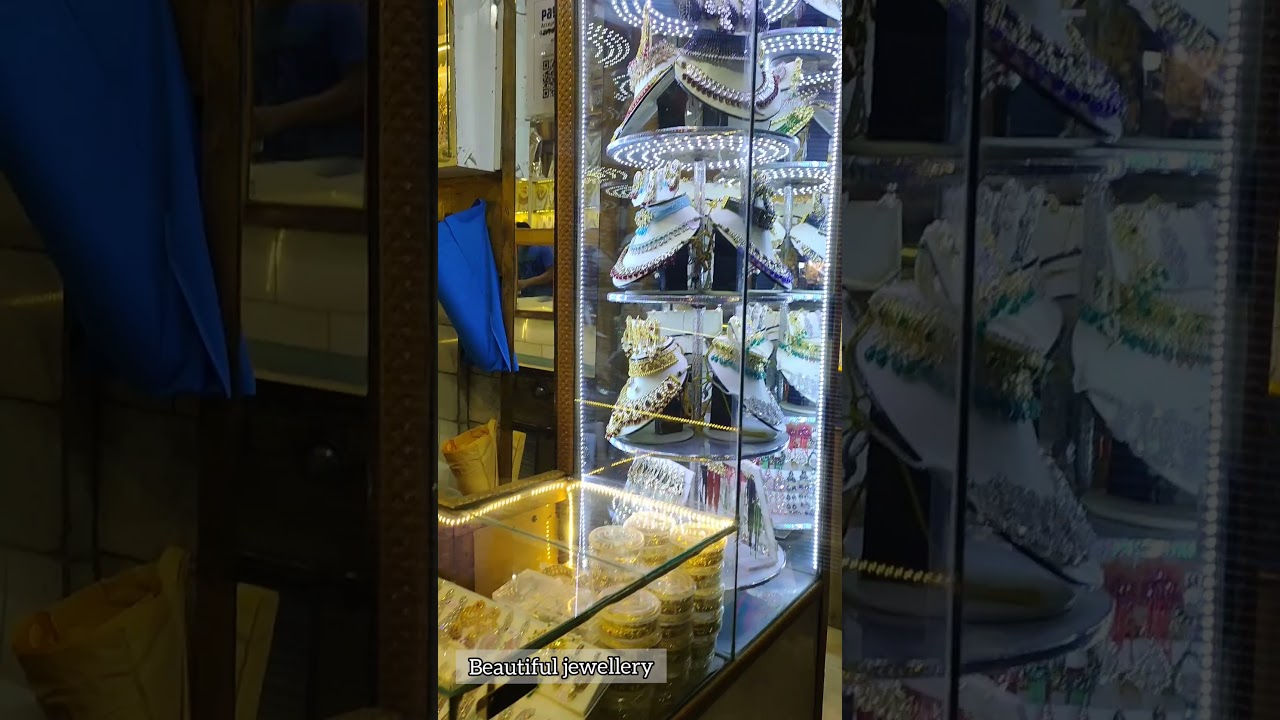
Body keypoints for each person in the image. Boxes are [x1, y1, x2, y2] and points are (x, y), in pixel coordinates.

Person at [253, 0, 366, 160]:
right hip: (276, 156)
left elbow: (359, 88)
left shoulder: (337, 8)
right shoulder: (257, 17)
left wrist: (279, 116)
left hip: (335, 156)